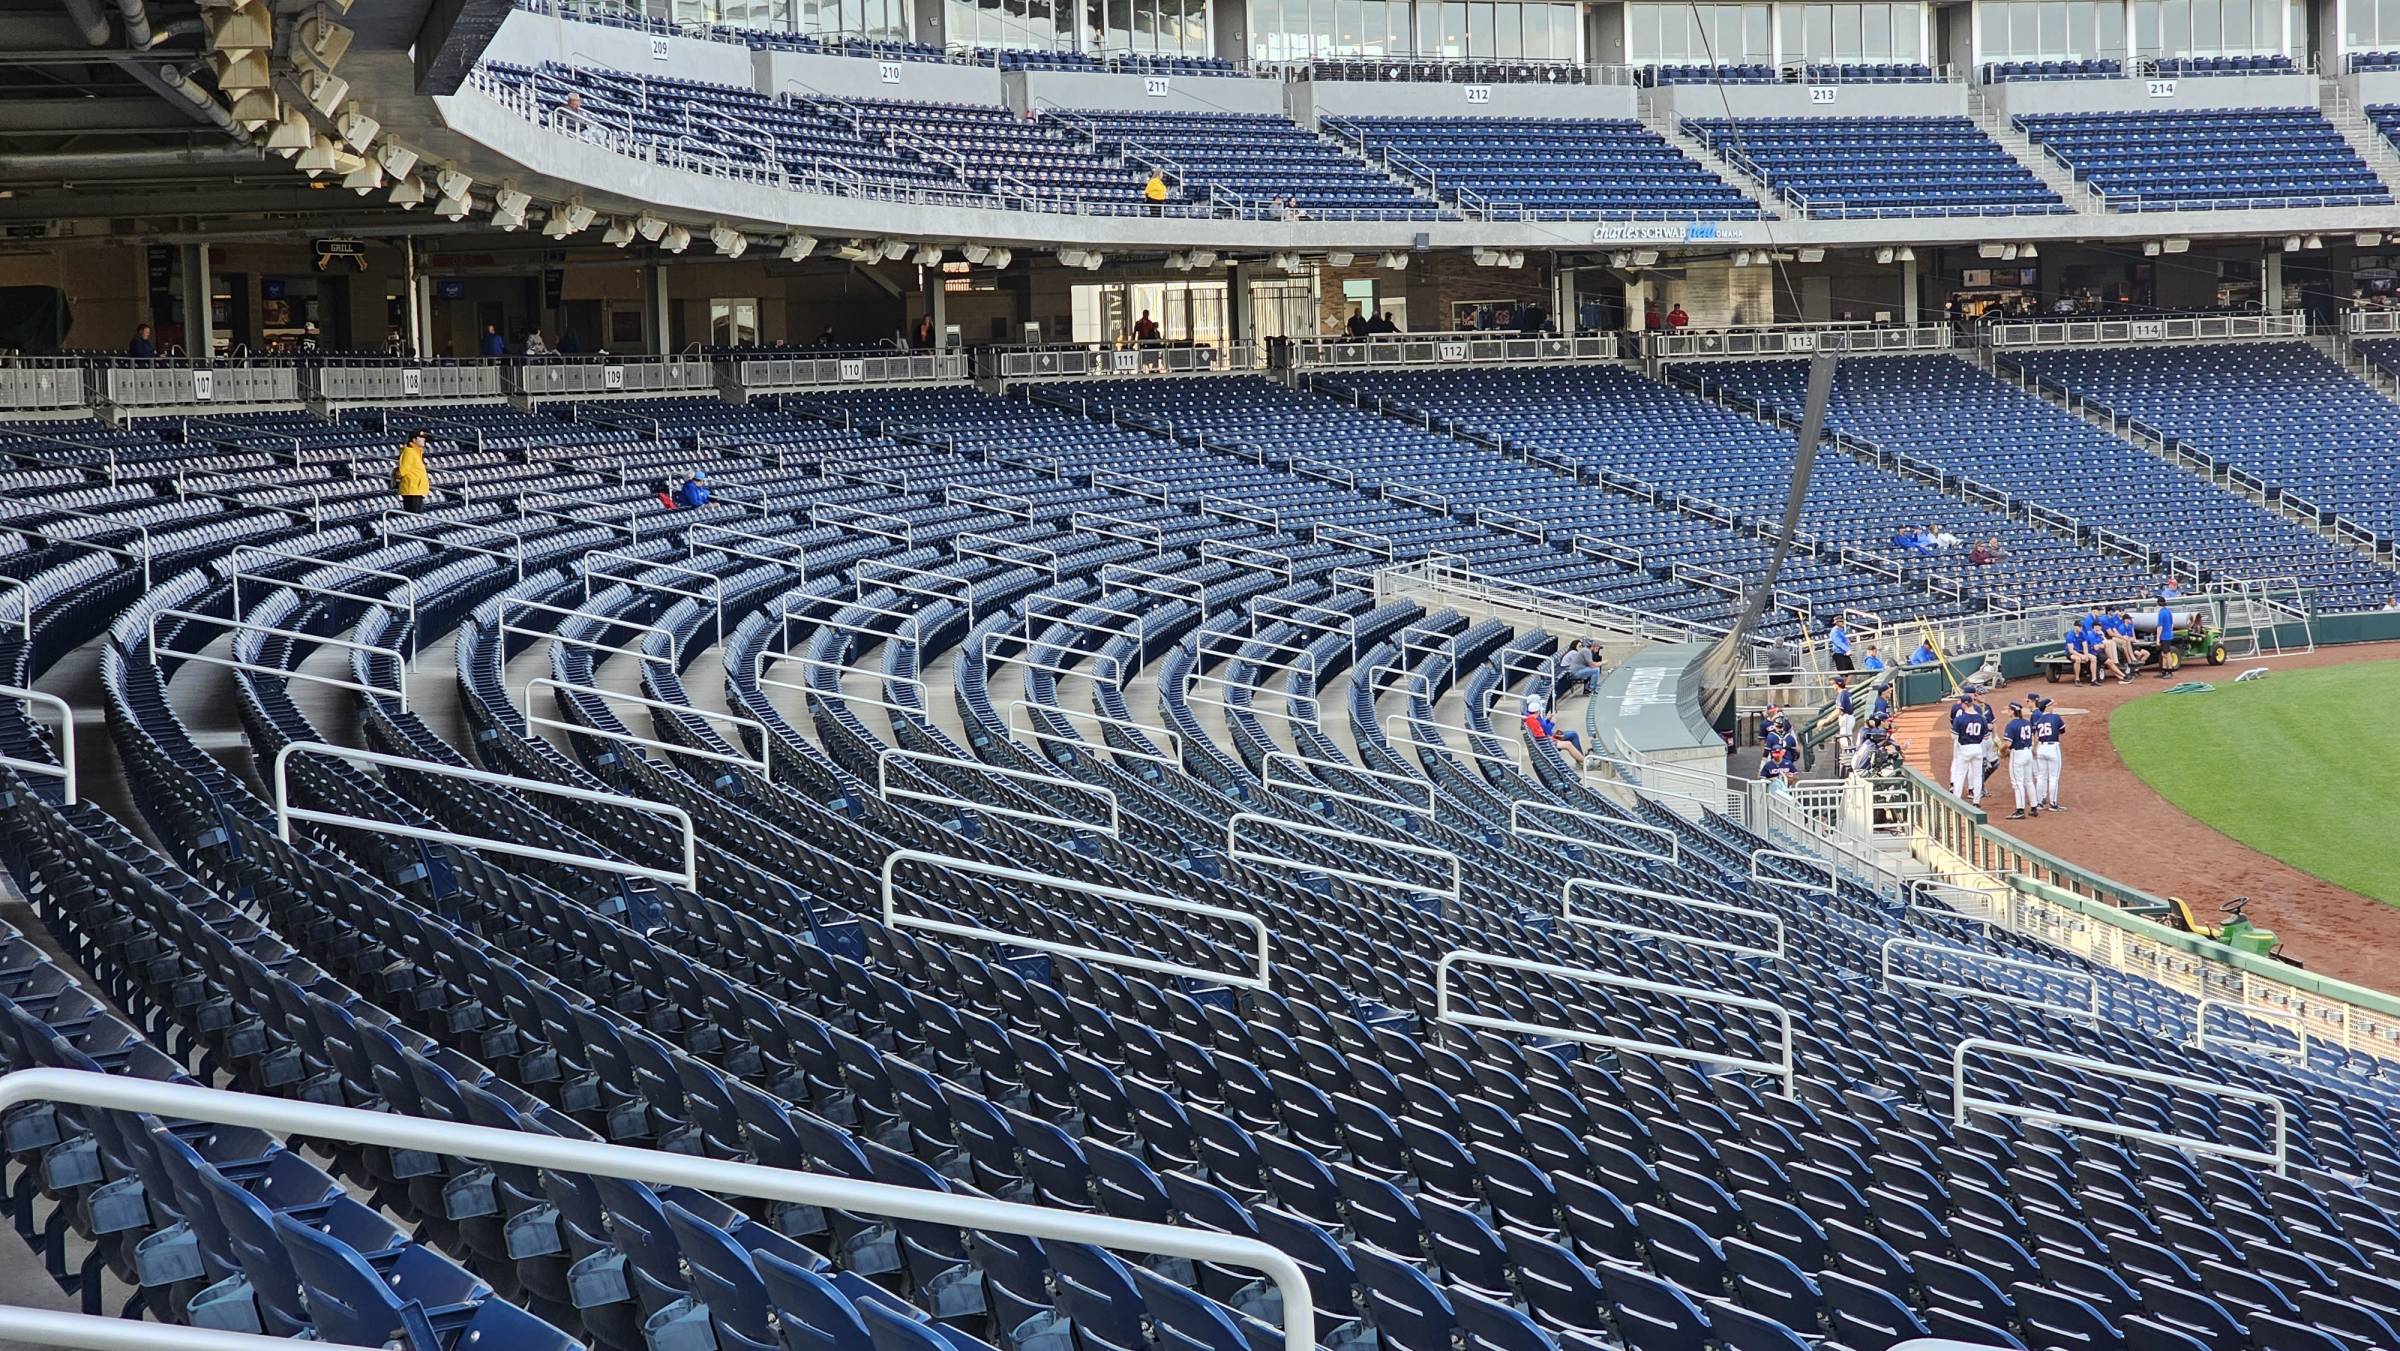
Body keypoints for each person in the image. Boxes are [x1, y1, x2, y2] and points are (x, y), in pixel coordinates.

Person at [1947, 694, 1991, 805]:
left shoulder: (1960, 719)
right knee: (1977, 776)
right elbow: (1986, 736)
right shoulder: (1981, 718)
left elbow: (1954, 736)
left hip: (1964, 748)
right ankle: (1976, 801)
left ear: (1965, 704)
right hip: (1977, 748)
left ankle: (1956, 800)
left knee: (1960, 774)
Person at [2000, 700, 2038, 819]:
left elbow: (2008, 743)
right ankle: (2034, 807)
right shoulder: (2026, 722)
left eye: (2009, 709)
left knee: (2017, 783)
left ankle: (2020, 810)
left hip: (2018, 754)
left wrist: (2001, 750)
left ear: (2013, 711)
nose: (2007, 711)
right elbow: (2032, 737)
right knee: (2028, 781)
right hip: (2028, 752)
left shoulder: (2011, 725)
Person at [1522, 695, 1584, 767]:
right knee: (1570, 741)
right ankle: (1583, 762)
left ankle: (1581, 760)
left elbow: (1543, 726)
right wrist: (1552, 723)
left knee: (1573, 734)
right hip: (1547, 740)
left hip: (1548, 737)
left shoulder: (1531, 715)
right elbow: (1545, 732)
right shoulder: (1533, 719)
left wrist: (1548, 719)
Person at [391, 432, 431, 513]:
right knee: (413, 514)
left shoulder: (416, 452)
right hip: (411, 489)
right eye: (421, 438)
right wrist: (396, 475)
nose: (424, 440)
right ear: (414, 439)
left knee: (416, 514)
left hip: (416, 489)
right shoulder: (409, 452)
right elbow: (402, 471)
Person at [1833, 674, 1857, 756]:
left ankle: (1850, 762)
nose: (1833, 686)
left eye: (1834, 684)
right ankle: (1849, 760)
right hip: (1848, 718)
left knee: (1846, 742)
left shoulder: (1842, 694)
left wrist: (1825, 721)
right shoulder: (1846, 693)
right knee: (1845, 741)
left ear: (1837, 685)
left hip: (1846, 718)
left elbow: (1838, 711)